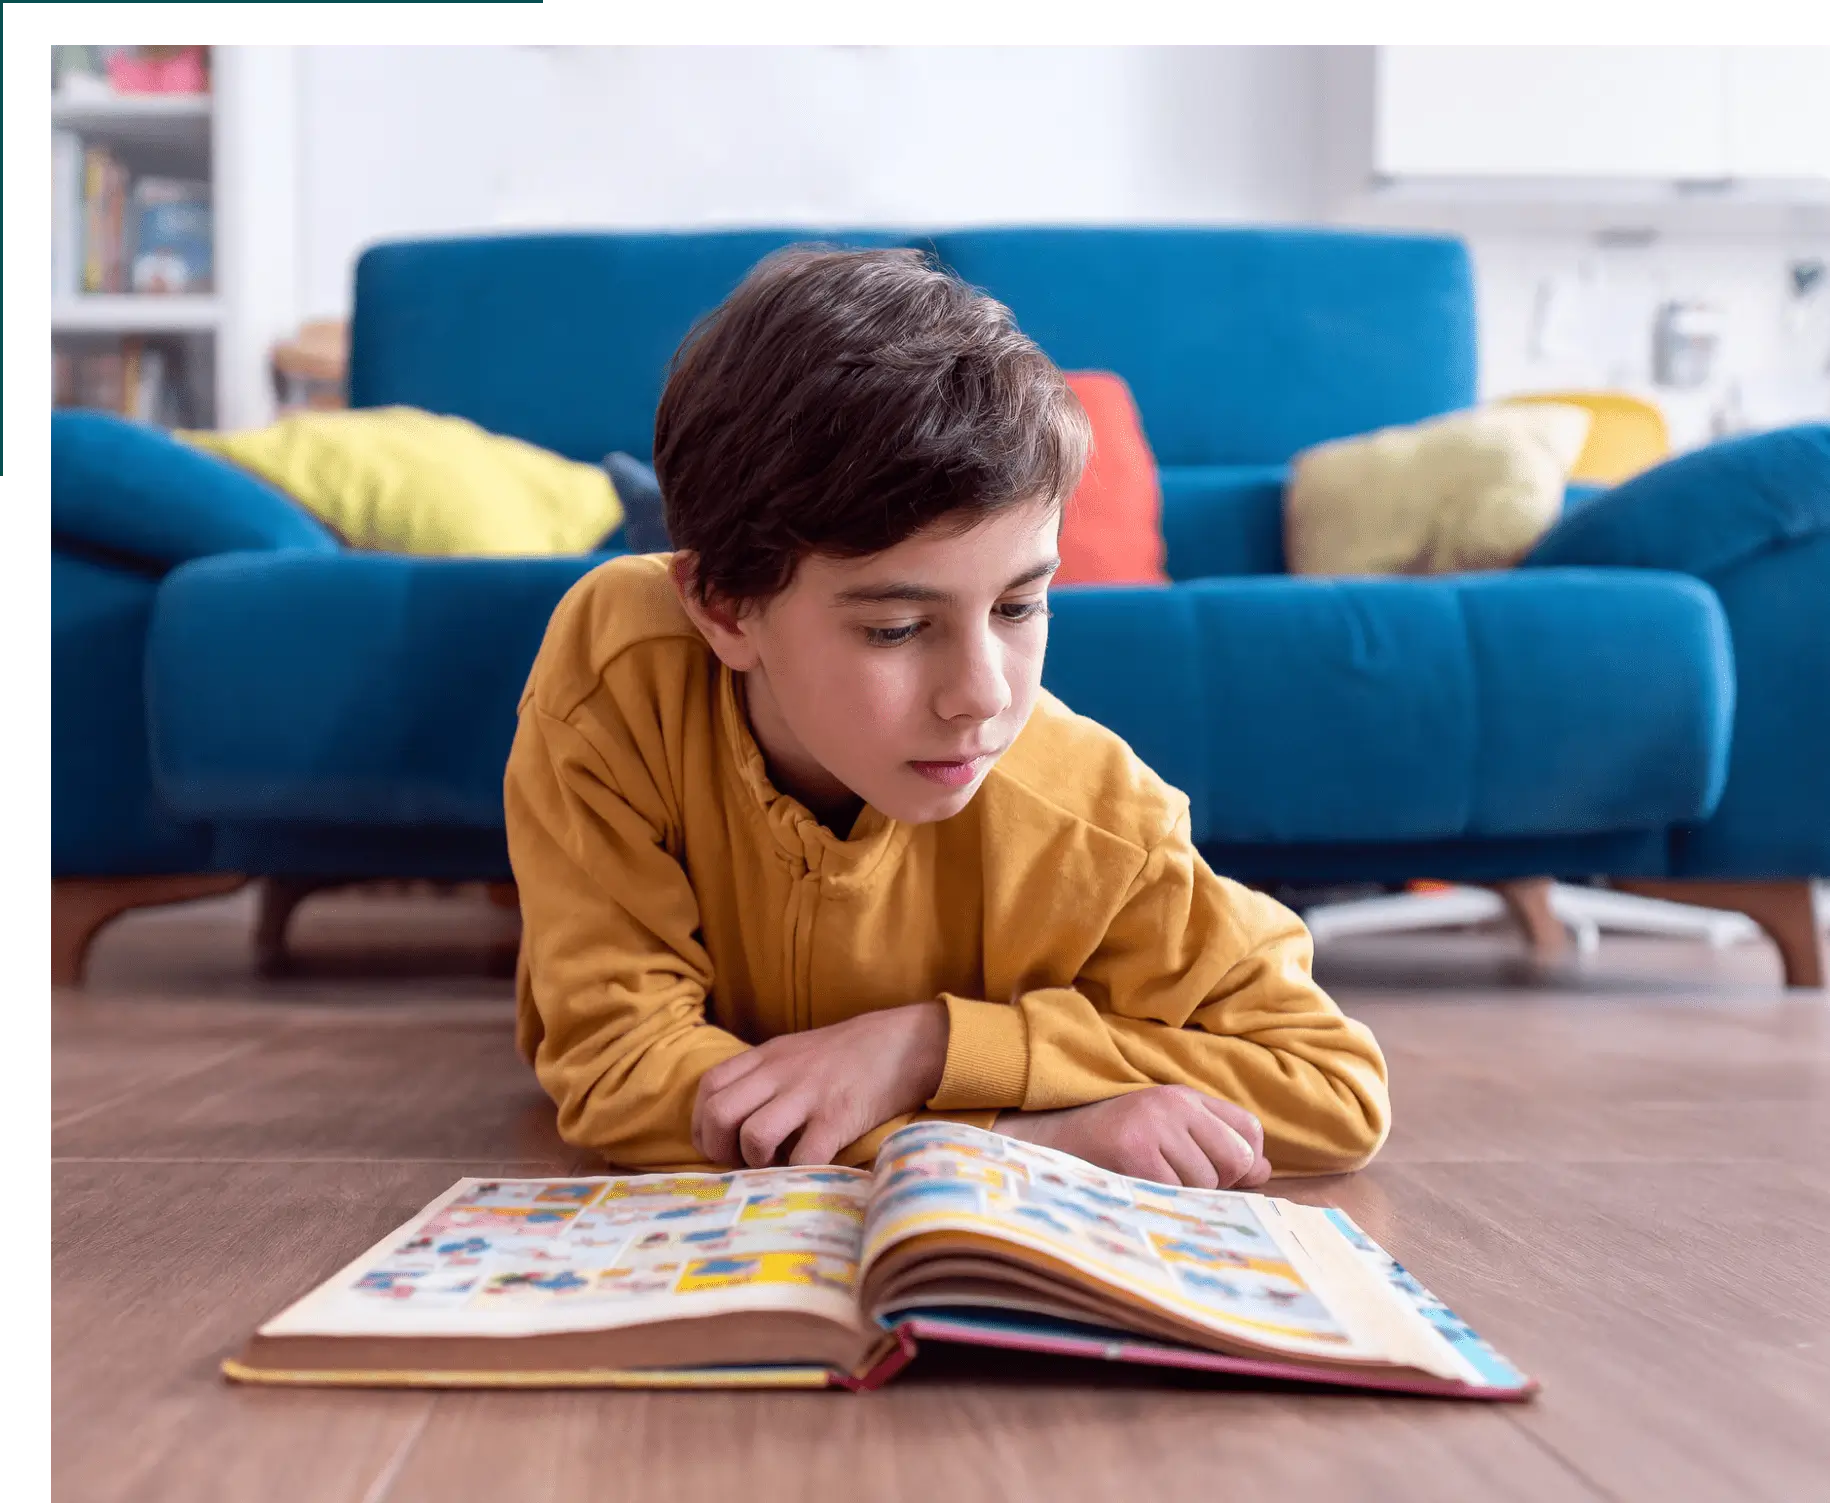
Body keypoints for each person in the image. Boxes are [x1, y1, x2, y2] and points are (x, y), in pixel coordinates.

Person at [504, 246, 1388, 1189]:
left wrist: (932, 1047)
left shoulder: (1092, 819)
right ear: (723, 607)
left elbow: (1332, 1085)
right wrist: (1018, 1141)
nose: (985, 694)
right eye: (896, 626)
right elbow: (621, 1067)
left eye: (1019, 607)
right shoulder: (619, 667)